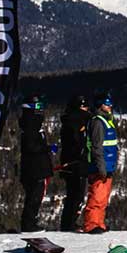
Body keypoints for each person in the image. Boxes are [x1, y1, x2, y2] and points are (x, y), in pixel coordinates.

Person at [81, 95, 121, 234]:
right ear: (100, 105)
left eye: (110, 103)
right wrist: (101, 166)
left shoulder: (107, 120)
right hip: (99, 165)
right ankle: (91, 224)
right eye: (106, 104)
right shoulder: (98, 122)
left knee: (103, 197)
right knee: (97, 196)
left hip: (108, 164)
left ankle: (99, 222)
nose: (110, 106)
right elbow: (97, 147)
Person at [16, 96, 55, 231]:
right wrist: (47, 148)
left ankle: (30, 223)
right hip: (35, 168)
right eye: (38, 107)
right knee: (34, 197)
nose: (41, 110)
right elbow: (31, 147)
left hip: (36, 166)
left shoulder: (33, 125)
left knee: (35, 197)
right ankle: (28, 224)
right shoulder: (30, 125)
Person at [56, 94, 90, 232]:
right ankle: (69, 224)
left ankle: (68, 223)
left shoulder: (70, 121)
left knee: (73, 195)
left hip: (71, 162)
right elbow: (77, 144)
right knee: (76, 195)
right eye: (85, 106)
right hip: (76, 163)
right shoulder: (77, 121)